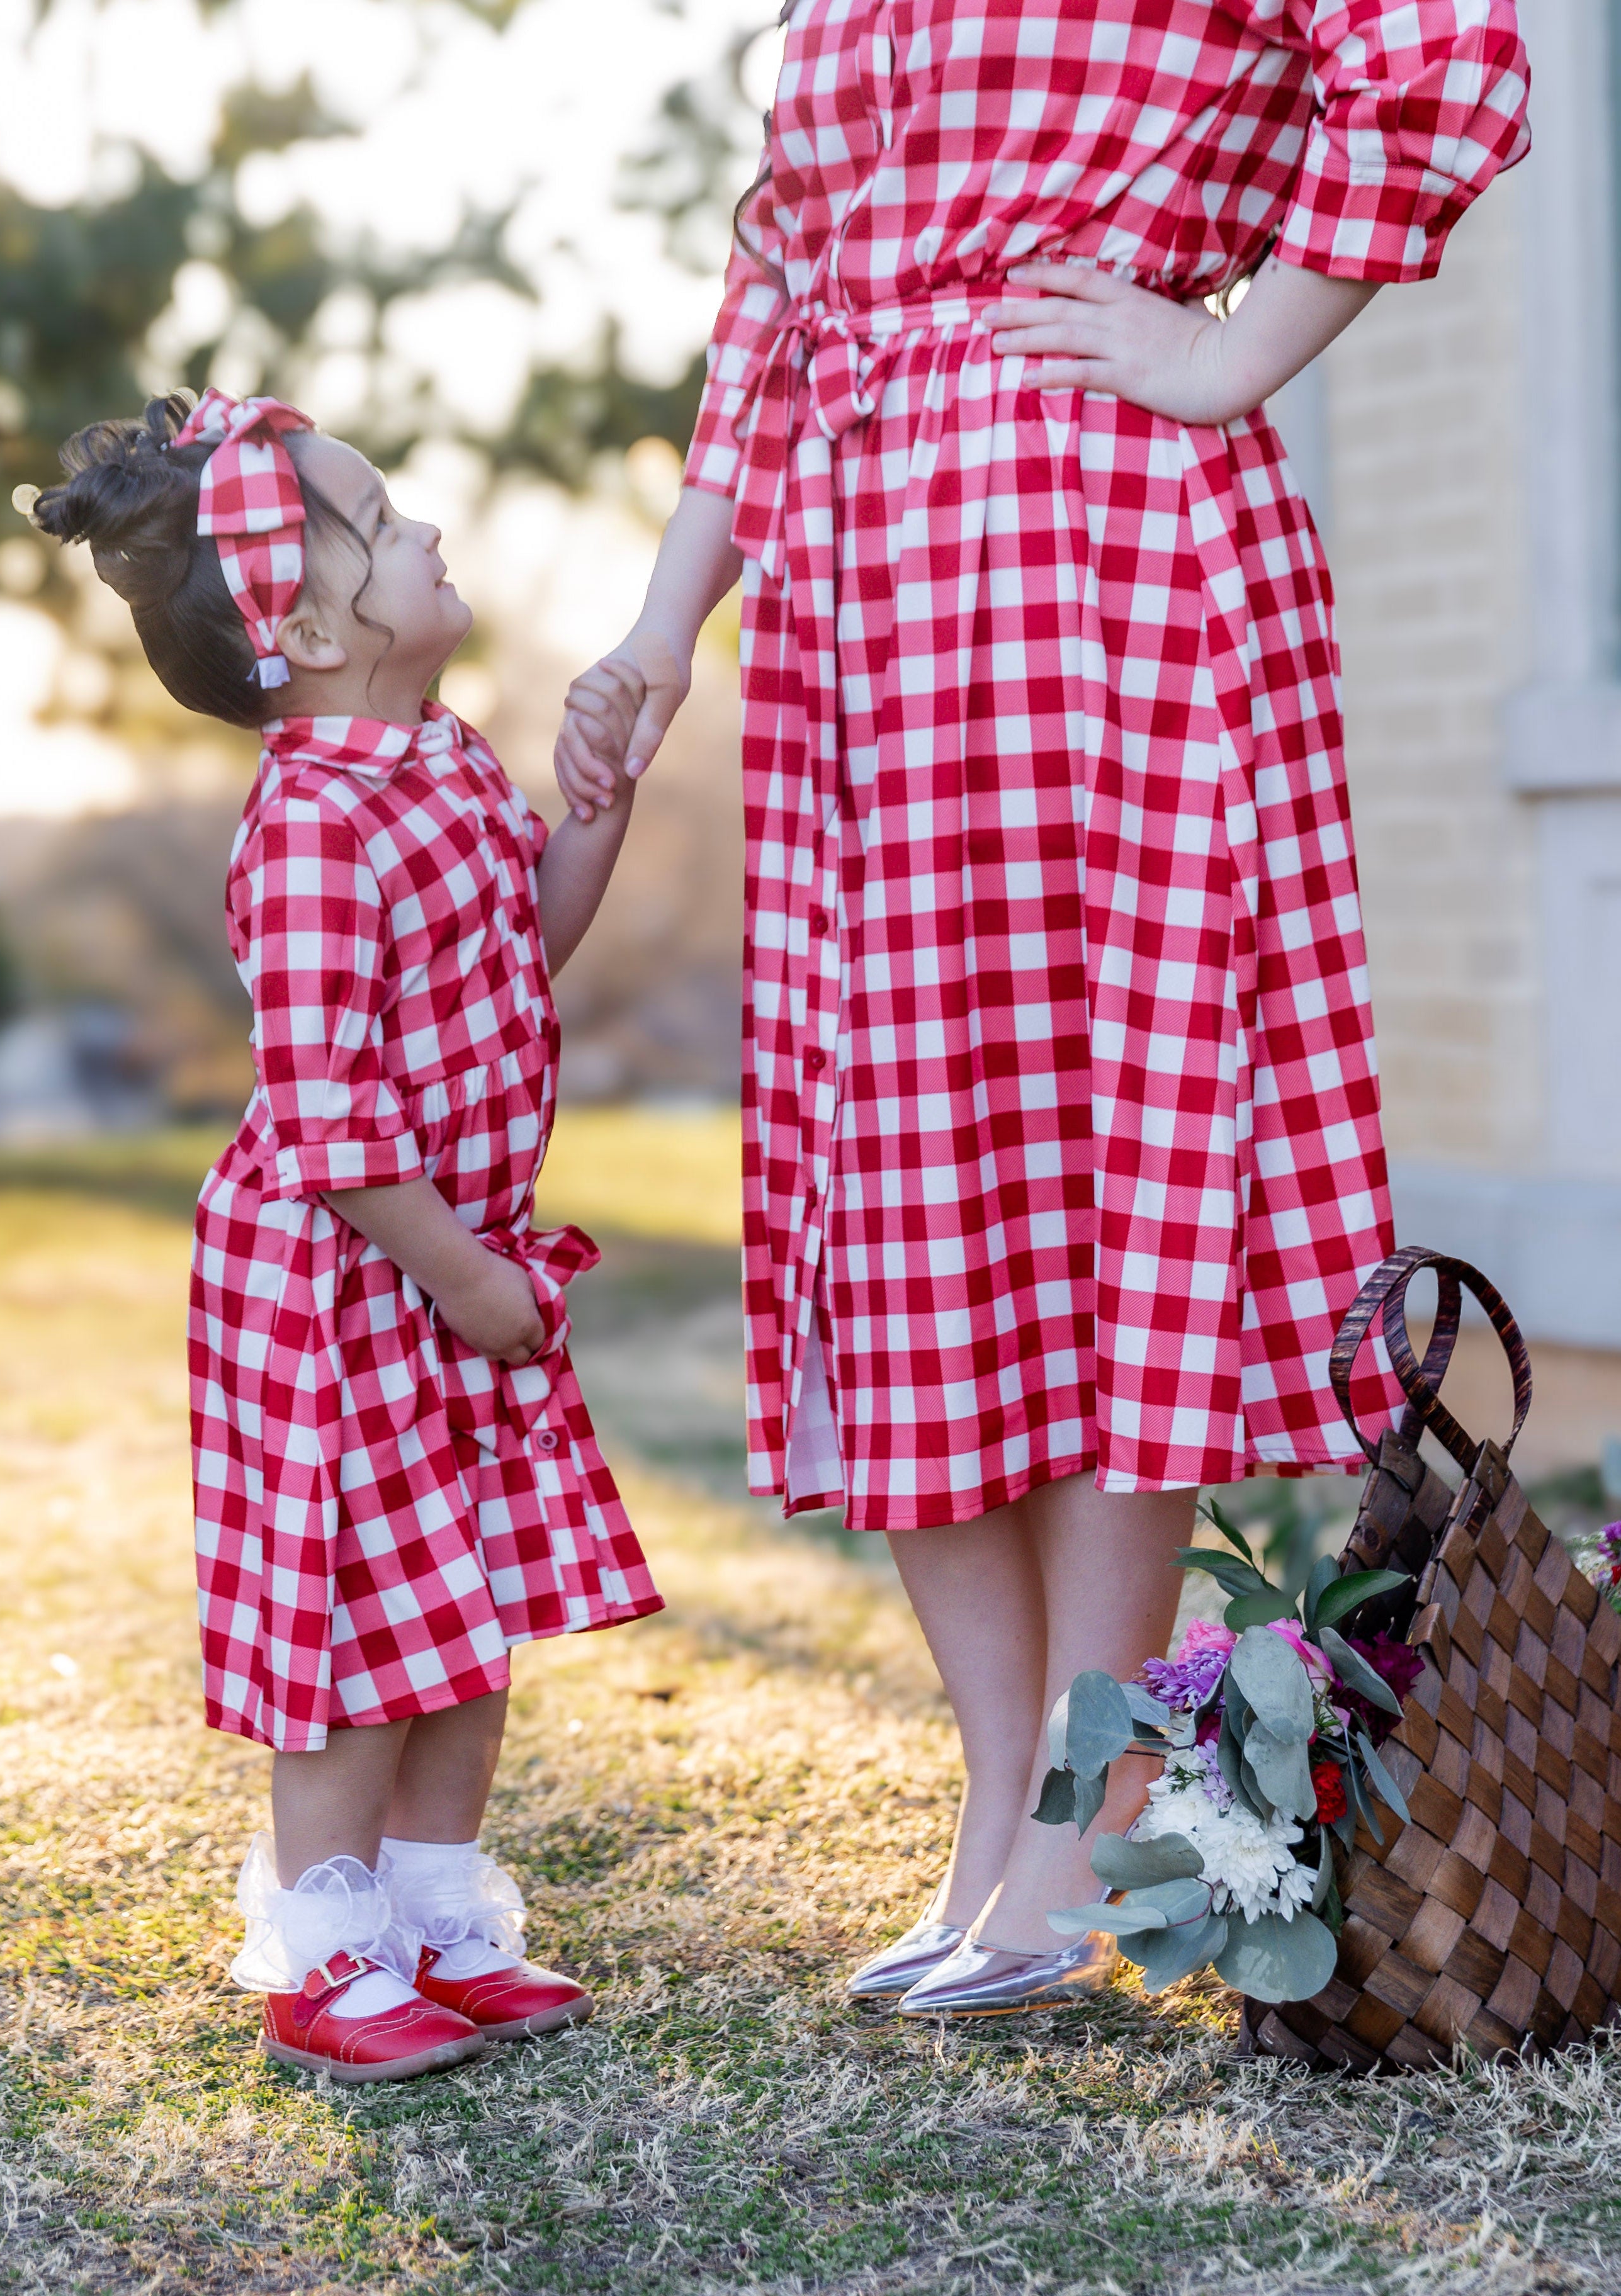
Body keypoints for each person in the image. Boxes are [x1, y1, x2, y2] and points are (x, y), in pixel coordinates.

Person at [556, 0, 1530, 2016]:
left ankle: (1089, 1811)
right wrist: (668, 615)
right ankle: (1002, 1809)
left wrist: (1237, 349)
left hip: (1103, 563)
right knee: (916, 1201)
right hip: (864, 610)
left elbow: (1445, 44)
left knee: (1111, 1167)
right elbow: (779, 285)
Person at [28, 388, 662, 2081]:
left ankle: (441, 1917)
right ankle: (325, 1942)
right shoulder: (314, 823)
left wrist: (593, 805)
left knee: (462, 1609)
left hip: (444, 1263)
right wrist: (465, 1273)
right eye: (380, 526)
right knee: (355, 1634)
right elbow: (327, 1117)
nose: (428, 531)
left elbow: (528, 939)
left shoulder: (443, 762)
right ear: (304, 628)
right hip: (343, 1280)